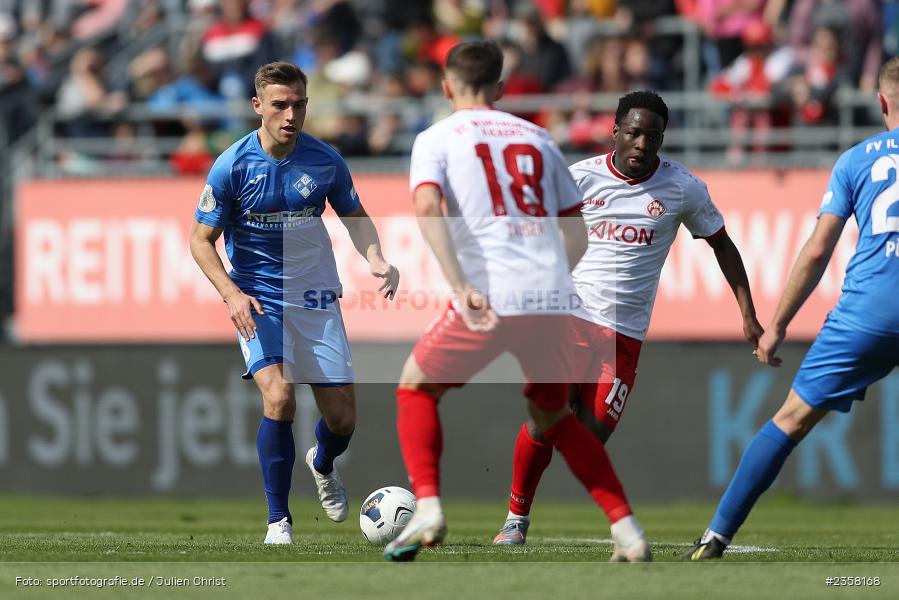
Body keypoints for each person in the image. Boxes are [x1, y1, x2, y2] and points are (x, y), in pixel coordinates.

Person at [383, 40, 650, 563]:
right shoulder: (540, 138)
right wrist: (550, 280)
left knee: (415, 387)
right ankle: (626, 528)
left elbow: (427, 207)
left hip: (490, 291)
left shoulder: (436, 137)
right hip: (551, 296)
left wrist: (460, 284)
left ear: (446, 86)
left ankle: (430, 507)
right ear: (502, 89)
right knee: (553, 416)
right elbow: (577, 236)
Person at [493, 90, 764, 546]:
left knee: (588, 438)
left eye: (652, 136)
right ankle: (515, 519)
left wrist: (748, 314)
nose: (642, 144)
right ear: (615, 132)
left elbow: (723, 245)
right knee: (544, 420)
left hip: (623, 336)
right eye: (634, 133)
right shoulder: (578, 178)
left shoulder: (683, 188)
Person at [684, 56, 899, 560]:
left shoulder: (857, 159)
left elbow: (820, 248)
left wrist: (777, 324)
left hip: (868, 313)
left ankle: (715, 537)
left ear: (882, 101)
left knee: (790, 419)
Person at [189, 61, 399, 545]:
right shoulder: (232, 165)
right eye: (280, 105)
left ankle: (322, 461)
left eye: (299, 104)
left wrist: (376, 257)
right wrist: (232, 294)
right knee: (279, 397)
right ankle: (278, 521)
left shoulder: (325, 160)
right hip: (259, 300)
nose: (291, 114)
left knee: (343, 421)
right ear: (257, 106)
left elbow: (356, 215)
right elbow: (201, 240)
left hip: (316, 297)